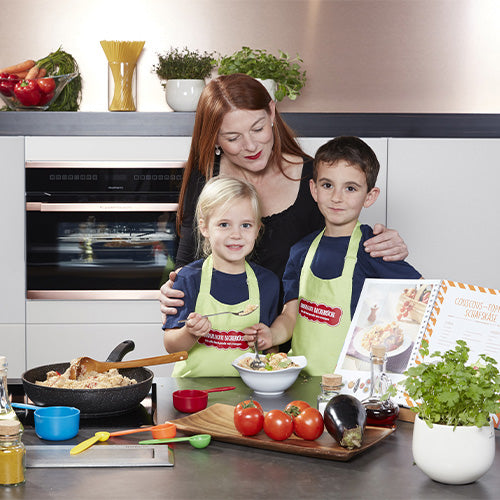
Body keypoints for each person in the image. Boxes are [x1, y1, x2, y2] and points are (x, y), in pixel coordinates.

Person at [159, 74, 409, 334]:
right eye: (233, 138)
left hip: (300, 336)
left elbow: (342, 241)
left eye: (257, 129)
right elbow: (186, 262)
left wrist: (383, 246)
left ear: (271, 112)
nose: (251, 145)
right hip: (222, 337)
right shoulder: (205, 178)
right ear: (213, 138)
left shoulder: (314, 177)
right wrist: (175, 288)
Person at [243, 136, 422, 375]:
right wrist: (271, 335)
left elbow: (421, 294)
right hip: (300, 379)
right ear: (314, 190)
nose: (337, 197)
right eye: (328, 185)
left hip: (351, 383)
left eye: (350, 188)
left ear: (370, 196)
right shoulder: (300, 251)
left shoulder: (372, 249)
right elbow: (290, 315)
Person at [163, 176, 280, 377]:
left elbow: (271, 350)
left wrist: (263, 341)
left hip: (246, 395)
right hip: (193, 393)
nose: (236, 234)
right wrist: (190, 332)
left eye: (246, 225)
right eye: (224, 224)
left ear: (257, 230)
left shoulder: (268, 283)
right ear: (204, 227)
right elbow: (171, 346)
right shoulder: (189, 279)